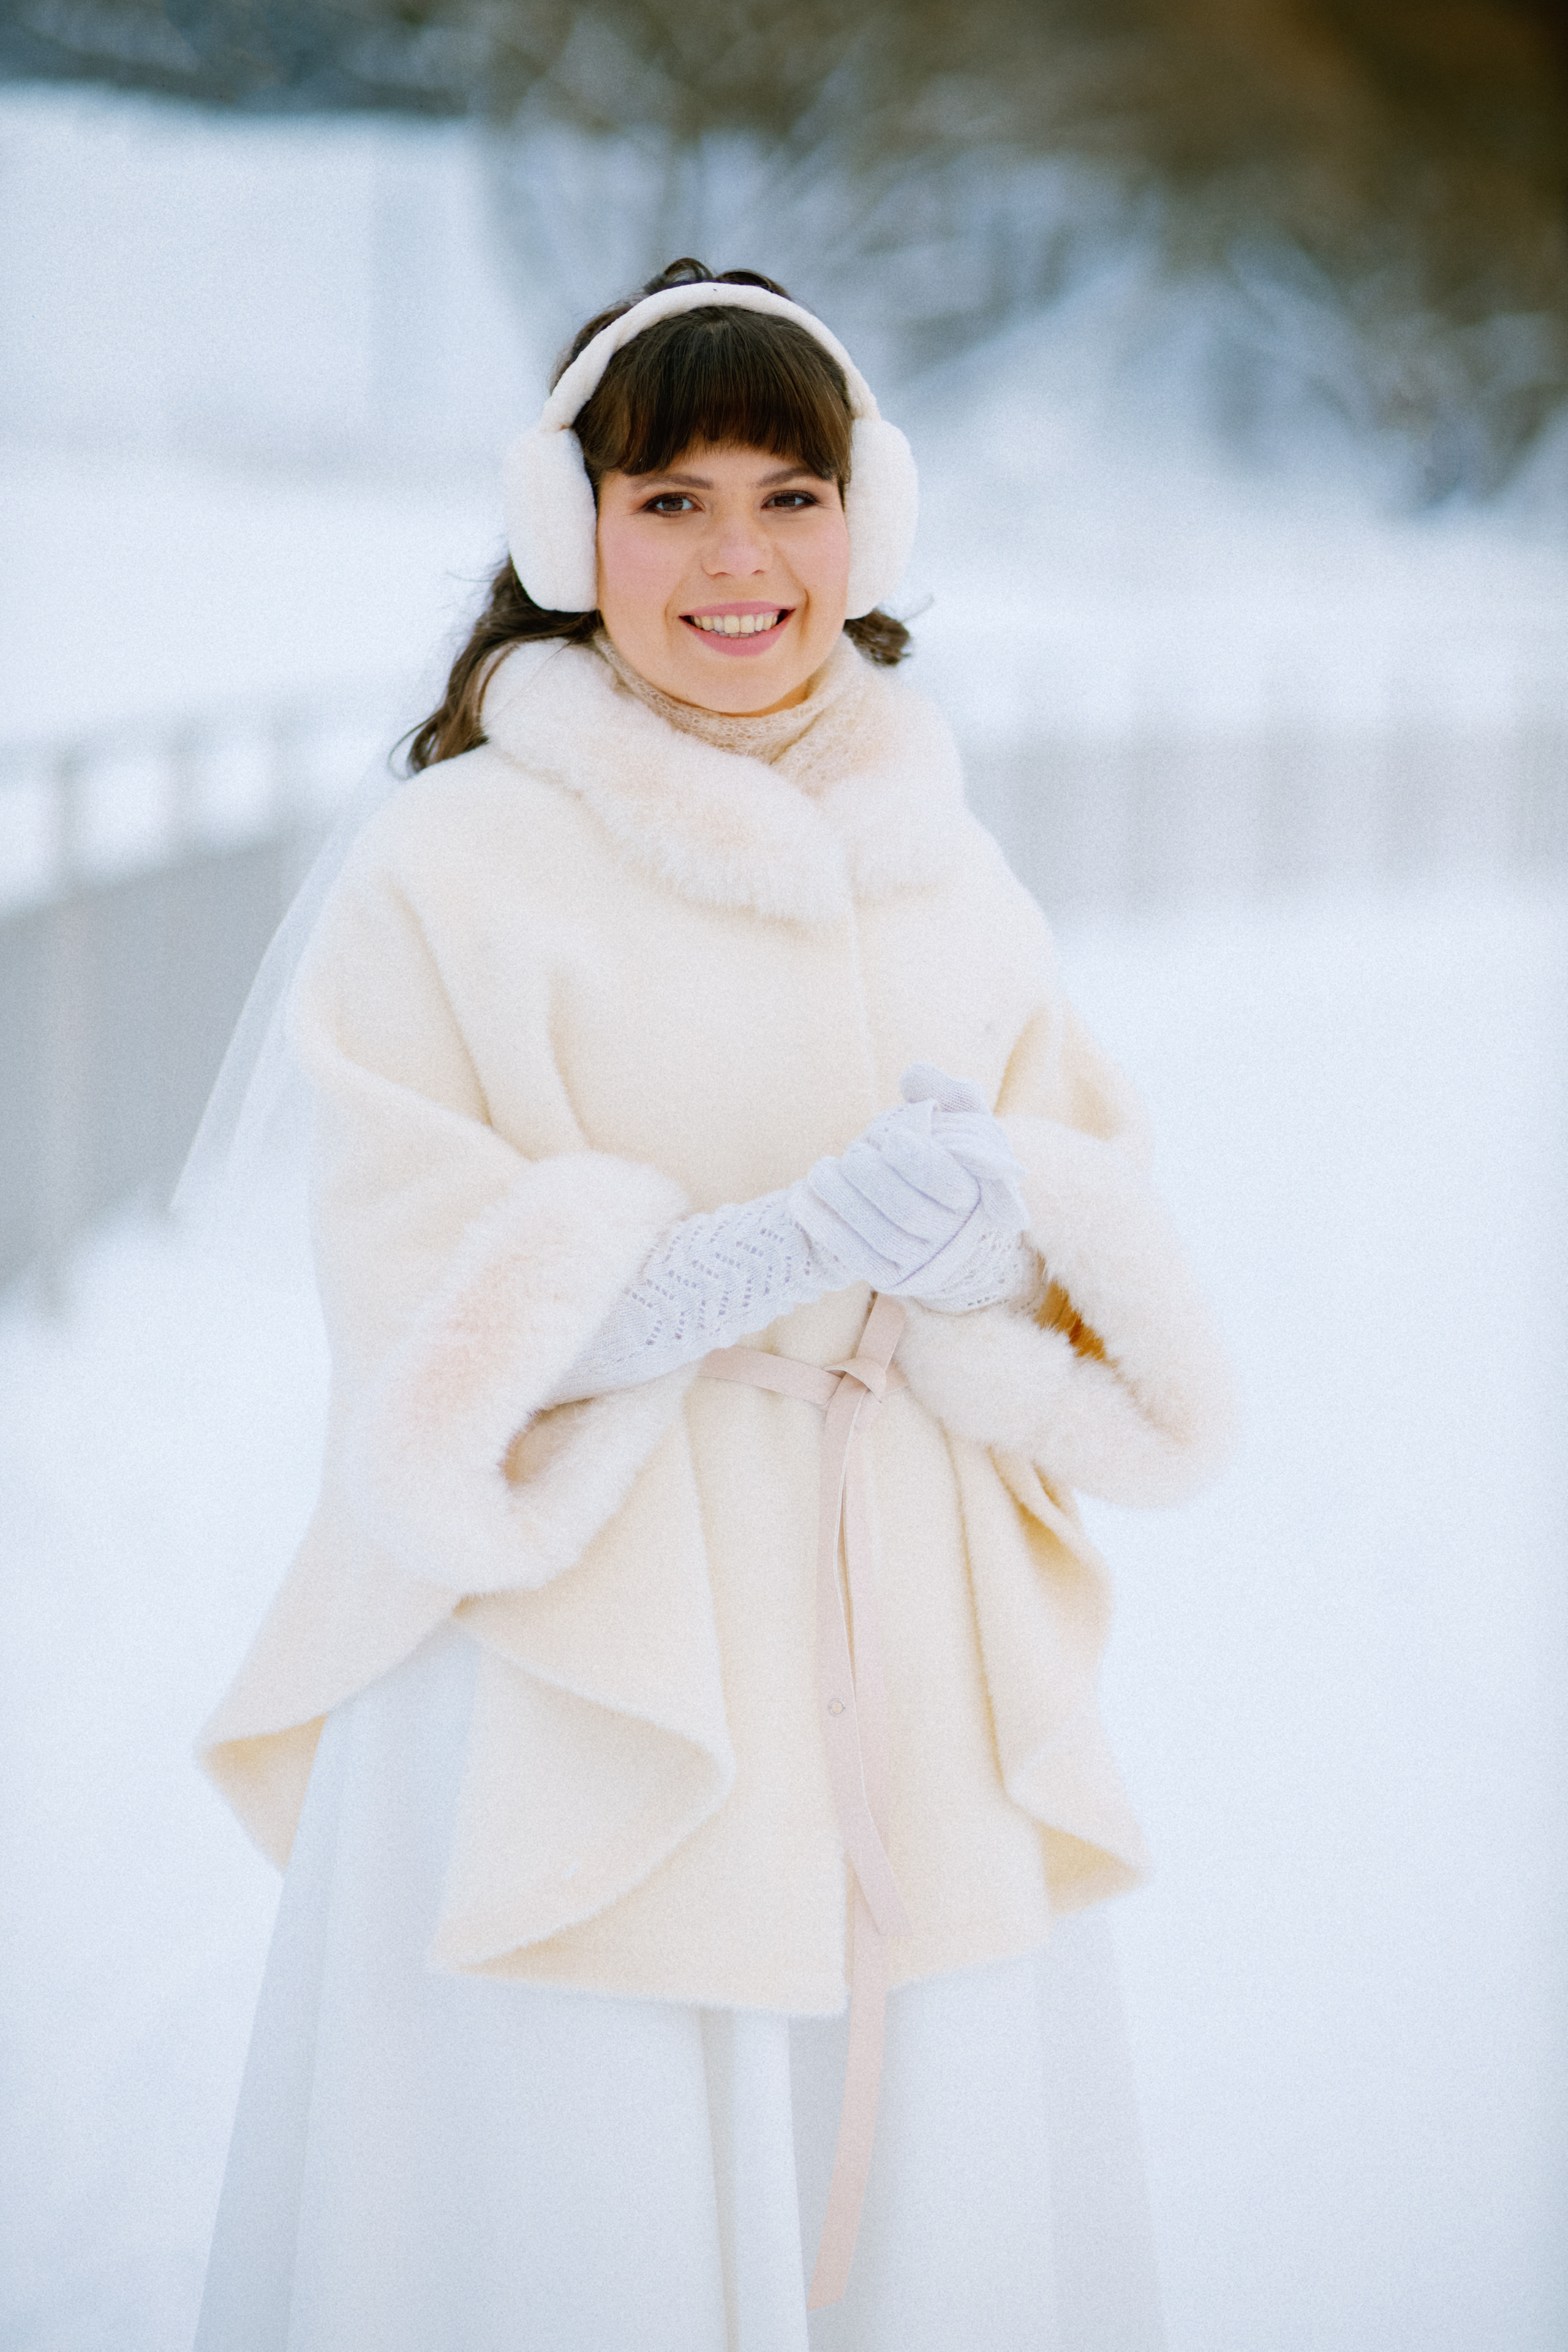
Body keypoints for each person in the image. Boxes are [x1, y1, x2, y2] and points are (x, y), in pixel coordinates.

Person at [192, 259, 1234, 2352]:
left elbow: (1110, 1261)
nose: (737, 559)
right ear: (565, 526)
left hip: (896, 1648)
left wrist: (985, 1246)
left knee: (917, 2193)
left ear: (875, 522)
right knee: (576, 2220)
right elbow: (426, 1338)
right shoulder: (456, 865)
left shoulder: (955, 865)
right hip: (587, 1666)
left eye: (790, 492)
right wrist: (768, 1248)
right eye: (668, 499)